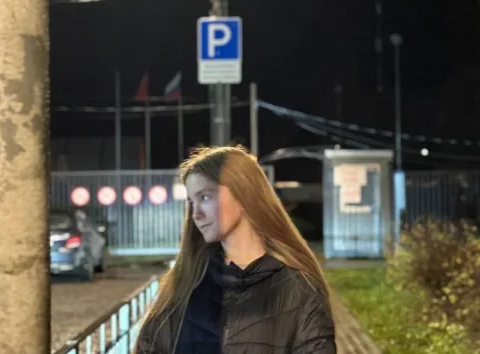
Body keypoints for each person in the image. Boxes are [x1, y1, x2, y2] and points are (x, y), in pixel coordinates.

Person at [135, 146, 336, 354]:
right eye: (191, 203)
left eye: (205, 197)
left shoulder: (300, 288)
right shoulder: (186, 282)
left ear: (243, 194)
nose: (196, 214)